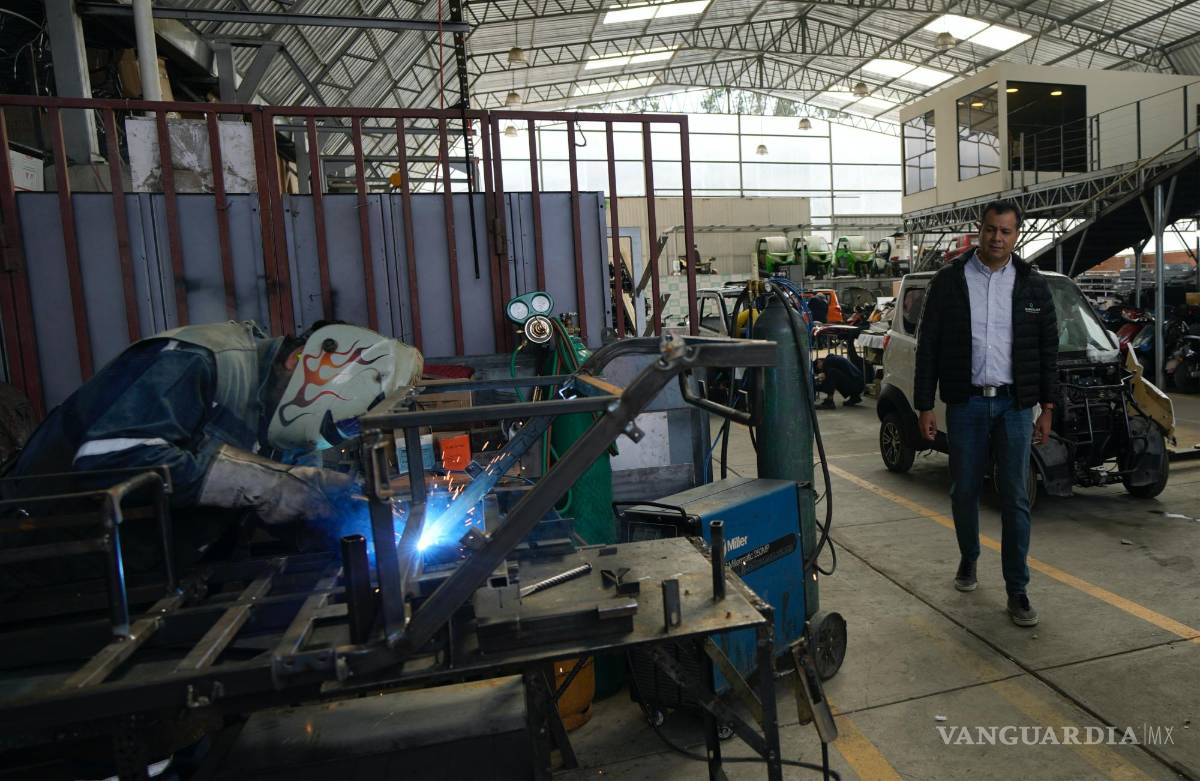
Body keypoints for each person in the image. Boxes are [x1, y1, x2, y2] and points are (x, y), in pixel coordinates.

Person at [2, 321, 422, 586]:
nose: (341, 432)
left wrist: (361, 529)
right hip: (48, 561)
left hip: (155, 572)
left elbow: (295, 504)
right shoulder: (199, 360)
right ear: (302, 361)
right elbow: (112, 459)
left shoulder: (287, 423)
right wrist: (270, 485)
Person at [913, 201, 1057, 628]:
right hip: (967, 403)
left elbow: (1047, 349)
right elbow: (929, 346)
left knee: (1015, 496)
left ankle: (1018, 589)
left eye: (1006, 232)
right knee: (964, 490)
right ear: (980, 230)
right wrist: (924, 404)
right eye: (991, 229)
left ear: (1017, 236)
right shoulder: (950, 281)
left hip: (1015, 405)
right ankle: (969, 557)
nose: (997, 238)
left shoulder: (1032, 284)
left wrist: (1047, 407)